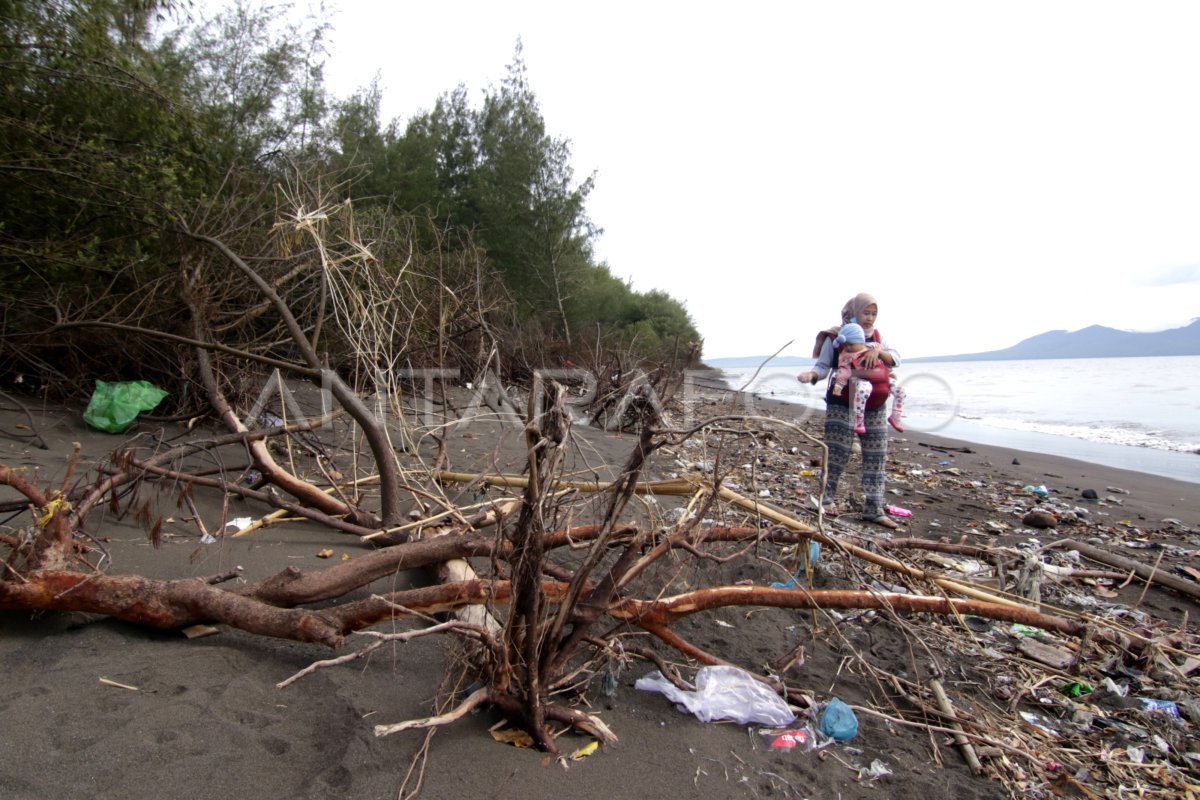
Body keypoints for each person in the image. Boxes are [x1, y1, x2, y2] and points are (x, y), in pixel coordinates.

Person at [796, 293, 902, 529]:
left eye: (874, 313)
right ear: (854, 312)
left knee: (876, 455)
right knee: (837, 453)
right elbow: (823, 366)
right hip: (842, 402)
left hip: (874, 405)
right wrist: (811, 376)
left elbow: (895, 358)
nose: (870, 318)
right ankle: (826, 501)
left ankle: (874, 509)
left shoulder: (877, 337)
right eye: (866, 313)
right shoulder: (835, 336)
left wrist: (878, 352)